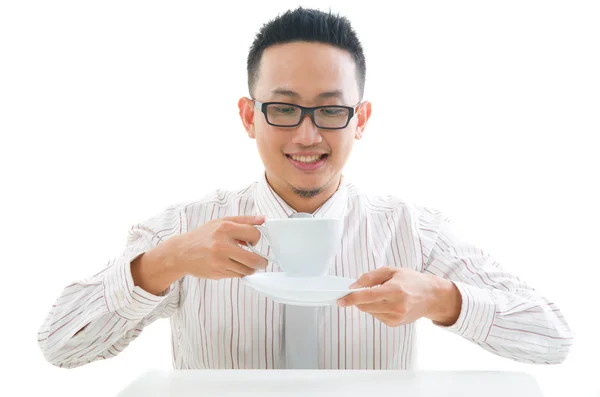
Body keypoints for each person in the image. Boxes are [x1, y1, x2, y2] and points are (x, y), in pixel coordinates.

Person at [38, 7, 573, 370]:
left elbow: (554, 338)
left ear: (360, 119)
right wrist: (163, 263)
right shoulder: (185, 231)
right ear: (250, 116)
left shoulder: (412, 229)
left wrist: (442, 299)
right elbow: (58, 345)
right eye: (285, 108)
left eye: (332, 110)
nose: (308, 134)